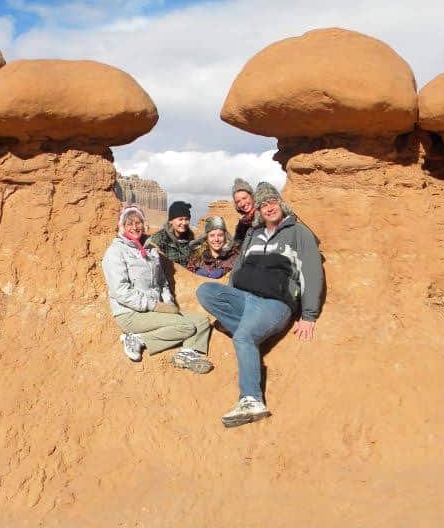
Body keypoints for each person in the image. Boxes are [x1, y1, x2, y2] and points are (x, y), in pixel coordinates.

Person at [196, 182, 323, 427]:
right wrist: (231, 298)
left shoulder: (298, 232)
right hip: (245, 299)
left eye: (271, 202)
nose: (268, 207)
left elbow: (312, 273)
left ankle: (252, 400)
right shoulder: (253, 234)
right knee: (206, 291)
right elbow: (239, 267)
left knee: (242, 336)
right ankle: (249, 329)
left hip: (274, 304)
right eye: (263, 205)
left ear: (280, 203)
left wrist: (308, 315)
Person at [101, 205, 213, 374]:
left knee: (202, 321)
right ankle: (137, 339)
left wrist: (167, 303)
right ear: (121, 226)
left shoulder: (151, 250)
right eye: (129, 223)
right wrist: (154, 306)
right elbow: (120, 291)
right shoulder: (116, 252)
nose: (134, 227)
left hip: (155, 309)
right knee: (186, 326)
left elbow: (162, 283)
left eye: (138, 222)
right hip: (130, 313)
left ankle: (187, 354)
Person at [148, 200, 195, 266]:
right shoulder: (159, 239)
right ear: (171, 221)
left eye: (186, 219)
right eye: (180, 219)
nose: (184, 223)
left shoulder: (190, 238)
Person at [231, 178, 255, 244]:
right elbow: (237, 245)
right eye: (238, 201)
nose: (243, 204)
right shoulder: (242, 224)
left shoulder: (265, 215)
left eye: (244, 198)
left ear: (252, 196)